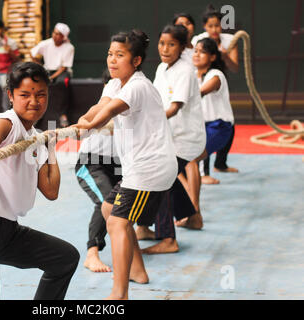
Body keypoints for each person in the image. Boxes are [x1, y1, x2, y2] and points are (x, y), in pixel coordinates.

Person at [0, 62, 79, 300]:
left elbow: (51, 191)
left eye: (41, 94)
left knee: (65, 258)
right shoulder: (5, 122)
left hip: (8, 231)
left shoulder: (35, 138)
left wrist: (50, 147)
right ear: (10, 96)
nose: (34, 101)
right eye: (25, 95)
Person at [73, 30, 178, 299]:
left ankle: (119, 294)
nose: (112, 59)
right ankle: (137, 270)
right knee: (109, 209)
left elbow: (106, 114)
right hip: (136, 169)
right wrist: (81, 123)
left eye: (120, 55)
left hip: (149, 170)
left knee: (118, 223)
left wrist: (85, 128)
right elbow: (99, 107)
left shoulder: (137, 86)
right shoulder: (116, 84)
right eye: (110, 54)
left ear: (137, 61)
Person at [139, 25, 207, 248]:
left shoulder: (185, 72)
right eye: (161, 43)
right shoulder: (162, 69)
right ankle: (193, 217)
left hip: (186, 138)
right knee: (168, 178)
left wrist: (149, 122)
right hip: (170, 137)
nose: (165, 49)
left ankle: (167, 238)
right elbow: (156, 102)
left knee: (161, 178)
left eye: (171, 44)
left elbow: (174, 107)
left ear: (182, 47)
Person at [75, 70, 122, 273]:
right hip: (91, 162)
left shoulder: (129, 104)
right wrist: (86, 123)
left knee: (127, 200)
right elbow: (82, 126)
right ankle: (92, 253)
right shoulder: (102, 105)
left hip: (119, 163)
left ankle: (143, 230)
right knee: (105, 203)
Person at [192, 5, 239, 177]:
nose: (214, 29)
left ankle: (219, 165)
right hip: (202, 81)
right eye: (210, 26)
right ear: (205, 26)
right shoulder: (198, 40)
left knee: (226, 123)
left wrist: (224, 55)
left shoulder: (229, 42)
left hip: (216, 80)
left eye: (217, 25)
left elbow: (234, 67)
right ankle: (202, 174)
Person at [193, 38, 235, 185]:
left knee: (194, 154)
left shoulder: (216, 75)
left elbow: (201, 92)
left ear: (212, 57)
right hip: (201, 125)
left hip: (220, 126)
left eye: (202, 52)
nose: (197, 54)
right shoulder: (191, 75)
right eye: (195, 51)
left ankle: (203, 175)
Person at [31, 22, 74, 128]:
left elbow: (64, 67)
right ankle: (37, 114)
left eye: (58, 34)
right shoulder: (45, 43)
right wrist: (40, 66)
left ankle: (63, 115)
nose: (55, 35)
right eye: (54, 33)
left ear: (63, 37)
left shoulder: (69, 47)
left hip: (61, 72)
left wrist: (51, 78)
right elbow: (32, 53)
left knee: (62, 83)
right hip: (47, 70)